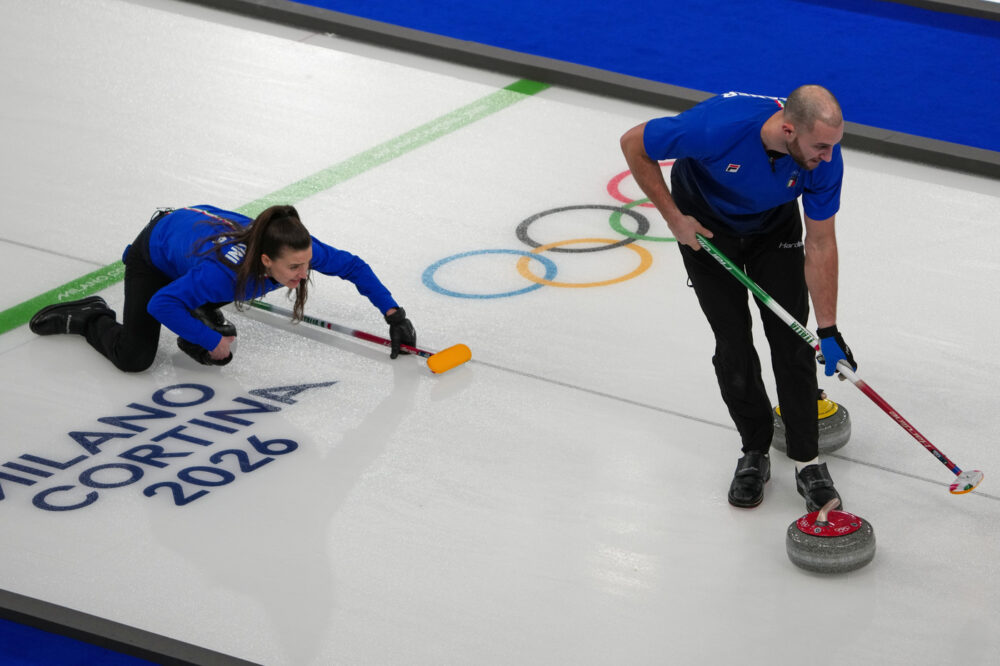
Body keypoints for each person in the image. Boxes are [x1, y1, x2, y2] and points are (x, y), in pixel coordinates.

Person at [620, 85, 857, 512]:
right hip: (707, 230)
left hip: (773, 229)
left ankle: (807, 460)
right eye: (820, 146)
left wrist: (828, 330)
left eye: (833, 147)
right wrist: (675, 218)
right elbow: (634, 143)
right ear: (788, 129)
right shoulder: (716, 128)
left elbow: (820, 243)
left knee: (793, 341)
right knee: (733, 341)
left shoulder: (823, 159)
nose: (828, 157)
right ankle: (754, 450)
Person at [29, 204, 416, 372]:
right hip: (154, 256)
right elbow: (161, 304)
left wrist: (393, 313)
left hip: (191, 250)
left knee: (209, 308)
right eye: (294, 268)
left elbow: (352, 266)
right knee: (134, 358)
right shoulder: (224, 274)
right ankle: (88, 316)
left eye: (307, 263)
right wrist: (209, 341)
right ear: (267, 261)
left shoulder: (294, 246)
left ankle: (197, 309)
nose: (304, 273)